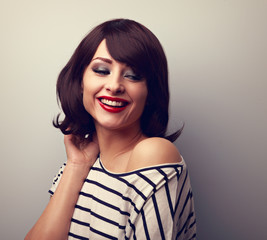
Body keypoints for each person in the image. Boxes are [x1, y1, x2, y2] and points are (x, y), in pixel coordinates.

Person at [25, 18, 196, 240]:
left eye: (133, 75)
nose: (114, 85)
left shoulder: (153, 154)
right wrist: (77, 166)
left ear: (150, 92)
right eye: (102, 70)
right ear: (80, 82)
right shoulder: (76, 167)